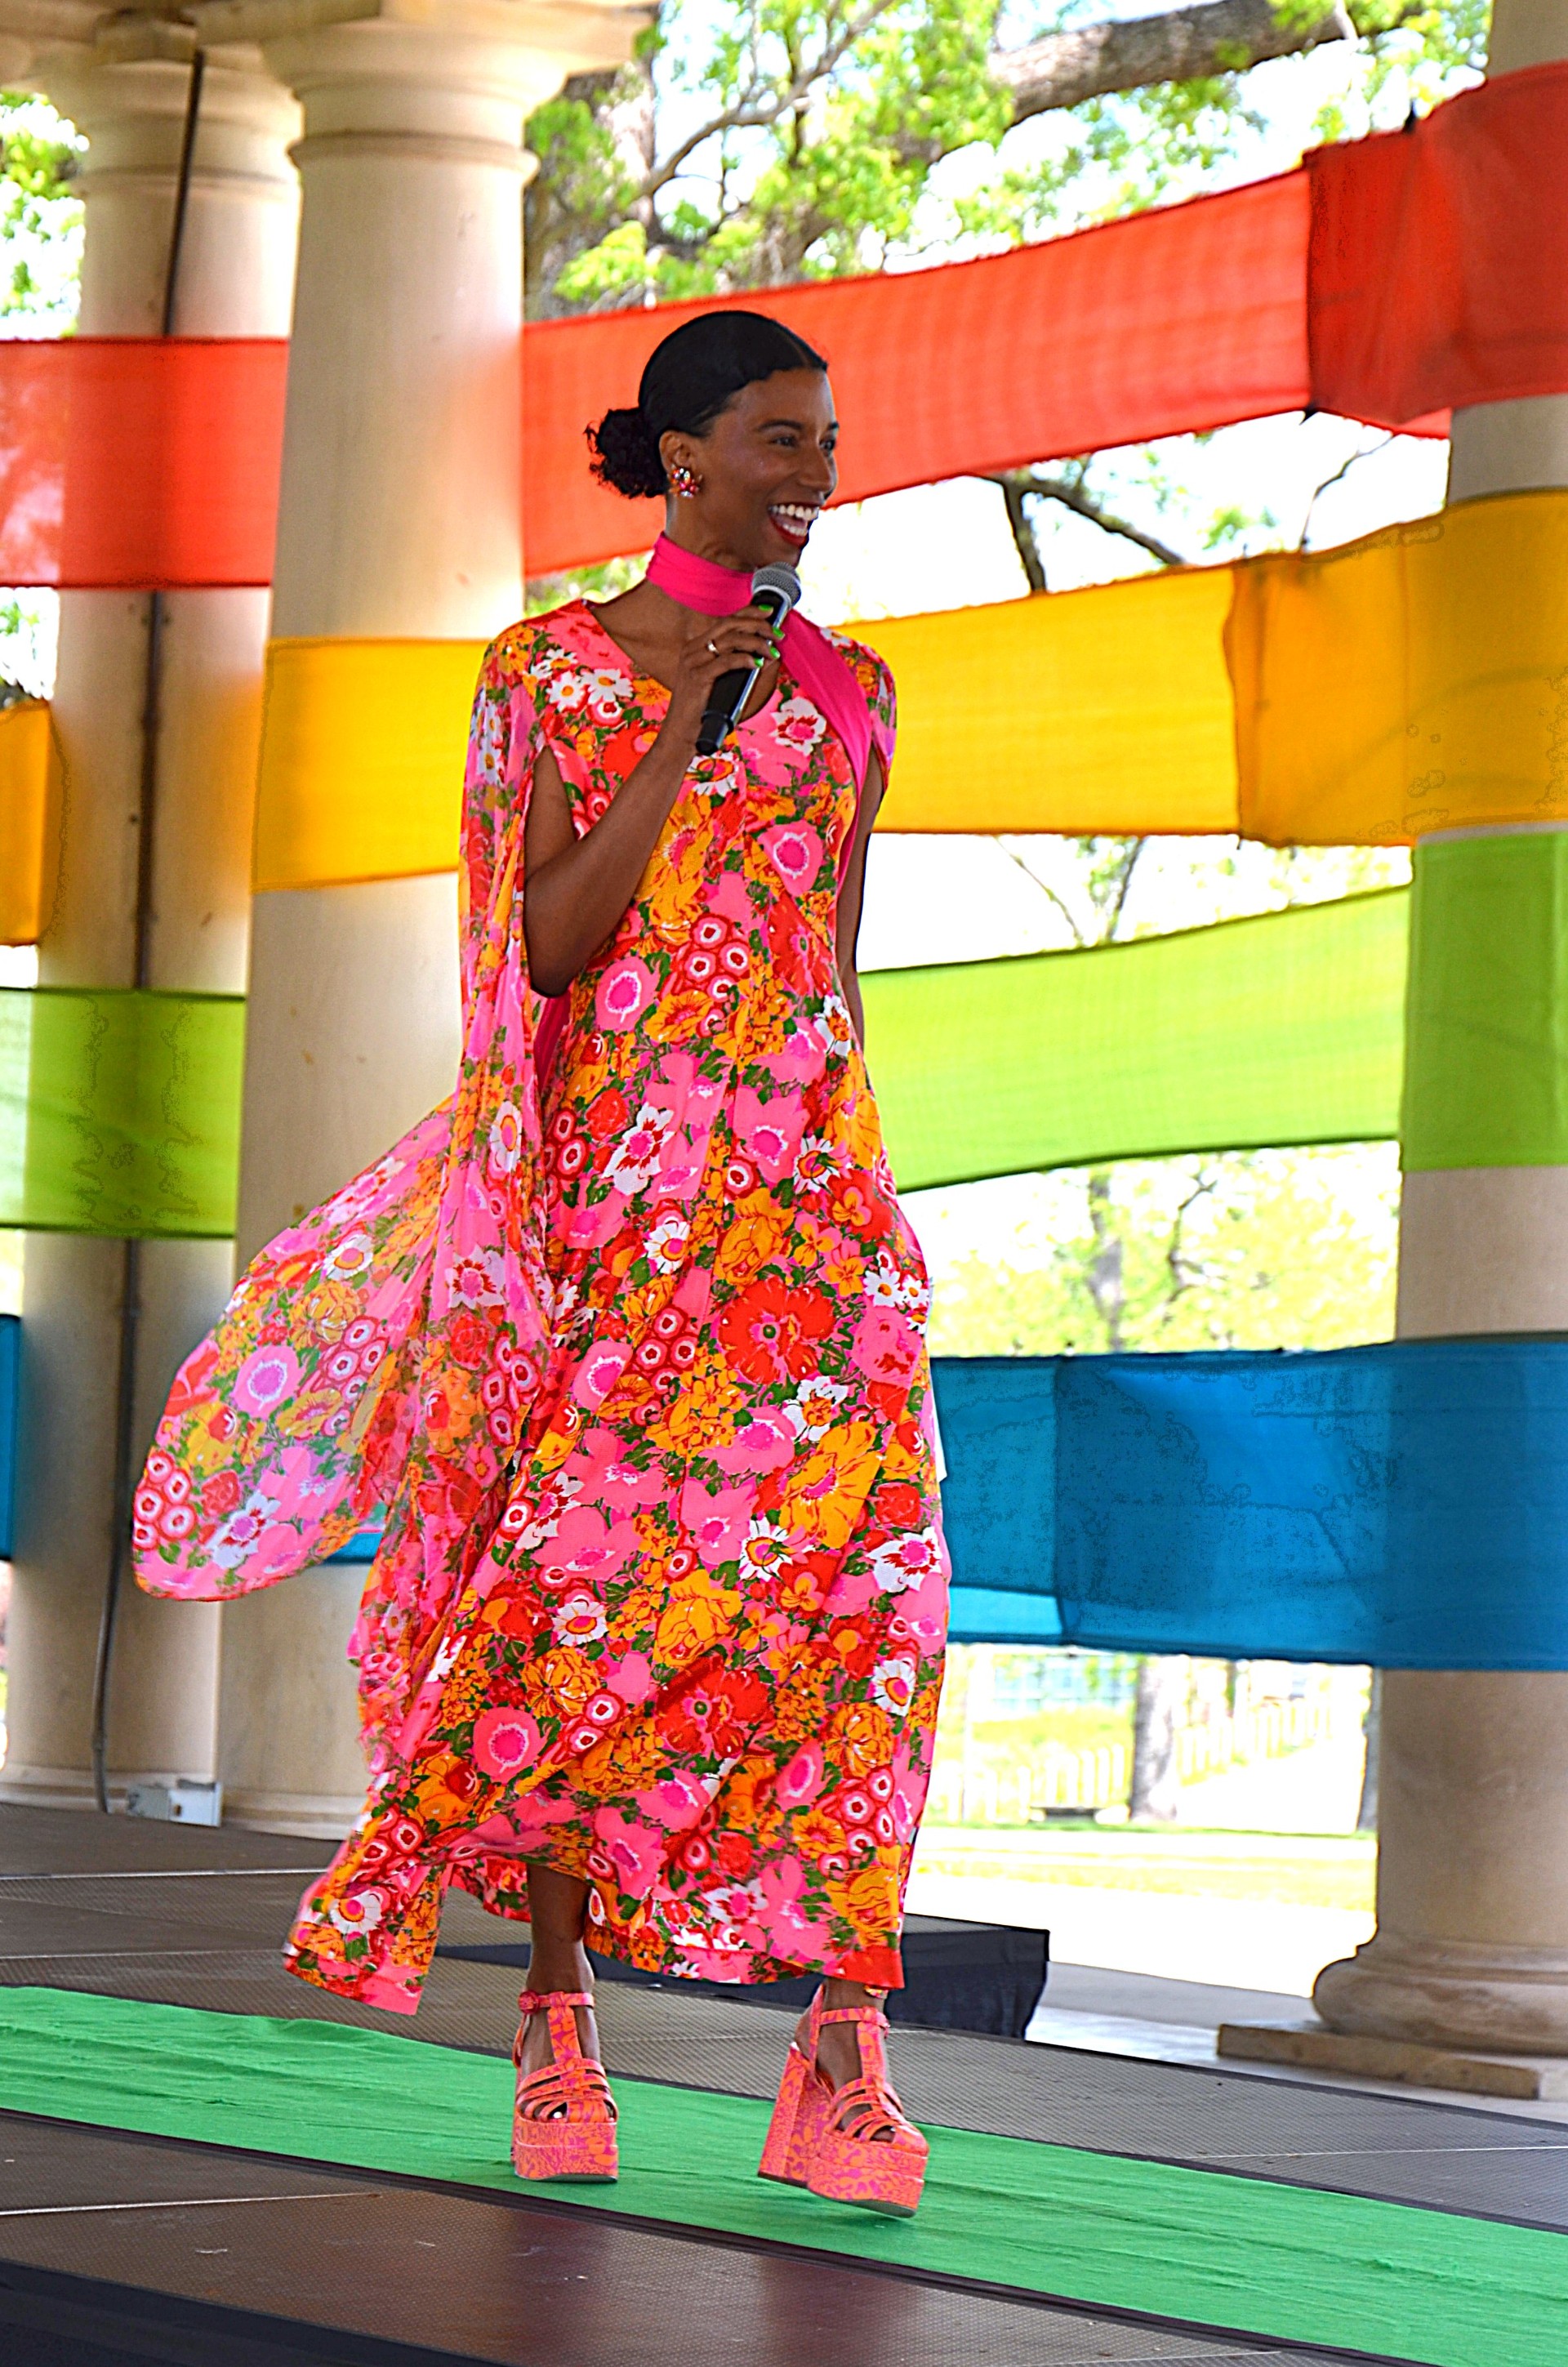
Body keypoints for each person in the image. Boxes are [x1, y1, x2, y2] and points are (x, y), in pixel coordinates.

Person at [134, 309, 950, 2219]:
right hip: (605, 1213)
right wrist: (690, 725)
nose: (816, 477)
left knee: (868, 1601)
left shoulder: (861, 689)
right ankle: (557, 2021)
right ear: (680, 457)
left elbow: (828, 968)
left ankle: (839, 2054)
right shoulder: (549, 677)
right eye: (778, 441)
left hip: (809, 1219)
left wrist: (865, 1204)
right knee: (572, 1603)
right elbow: (553, 954)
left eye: (826, 443)